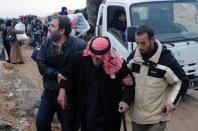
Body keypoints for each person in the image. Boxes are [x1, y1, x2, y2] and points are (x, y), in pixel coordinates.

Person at [59, 36, 135, 131]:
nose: (94, 59)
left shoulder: (117, 64)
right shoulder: (80, 58)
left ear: (106, 55)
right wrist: (62, 90)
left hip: (108, 113)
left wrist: (125, 100)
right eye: (93, 55)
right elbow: (66, 74)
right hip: (86, 110)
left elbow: (130, 85)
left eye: (98, 57)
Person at [127, 25, 189, 131]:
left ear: (152, 40)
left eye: (143, 43)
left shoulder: (167, 60)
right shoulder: (133, 59)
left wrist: (170, 104)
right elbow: (126, 79)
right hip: (137, 117)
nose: (139, 47)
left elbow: (182, 81)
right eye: (137, 43)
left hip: (157, 117)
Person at [36, 15, 86, 131]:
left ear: (62, 30)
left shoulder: (79, 46)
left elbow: (80, 69)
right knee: (41, 122)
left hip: (69, 95)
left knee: (69, 127)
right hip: (49, 91)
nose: (49, 28)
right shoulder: (46, 43)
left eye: (52, 26)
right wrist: (55, 73)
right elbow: (41, 64)